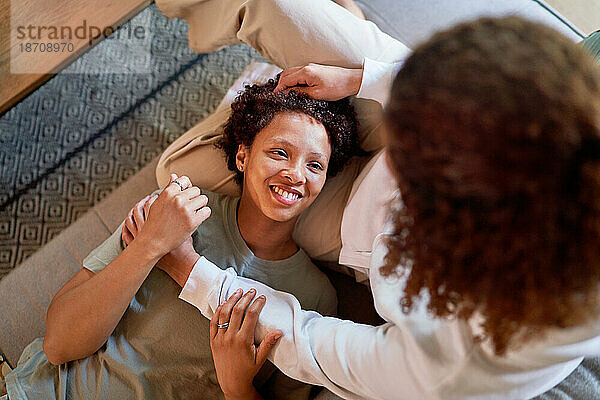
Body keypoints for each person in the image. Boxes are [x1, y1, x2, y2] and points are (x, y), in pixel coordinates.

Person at [147, 1, 600, 399]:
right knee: (274, 5)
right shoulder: (560, 131)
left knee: (179, 174)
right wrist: (364, 77)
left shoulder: (457, 366)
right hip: (393, 104)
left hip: (351, 220)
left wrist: (192, 273)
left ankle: (329, 48)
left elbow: (311, 343)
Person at [3, 78, 361, 399]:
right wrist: (150, 245)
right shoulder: (176, 209)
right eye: (279, 152)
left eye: (315, 165)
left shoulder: (314, 299)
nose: (295, 174)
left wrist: (238, 388)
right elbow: (59, 345)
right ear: (242, 155)